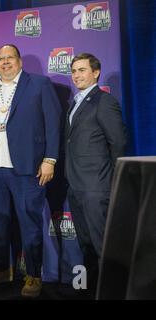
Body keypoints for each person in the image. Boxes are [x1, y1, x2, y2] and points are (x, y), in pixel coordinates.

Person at [0, 44, 61, 297]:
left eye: (9, 58)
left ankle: (34, 275)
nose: (4, 63)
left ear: (19, 61)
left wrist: (50, 159)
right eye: (0, 59)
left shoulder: (39, 84)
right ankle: (2, 269)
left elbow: (53, 123)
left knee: (30, 223)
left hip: (28, 167)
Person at [65, 53, 127, 294]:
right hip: (76, 185)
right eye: (74, 71)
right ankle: (93, 291)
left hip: (96, 186)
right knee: (87, 244)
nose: (77, 75)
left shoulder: (103, 101)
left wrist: (112, 180)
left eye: (82, 70)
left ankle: (112, 292)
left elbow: (118, 143)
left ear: (96, 72)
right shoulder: (76, 102)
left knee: (102, 246)